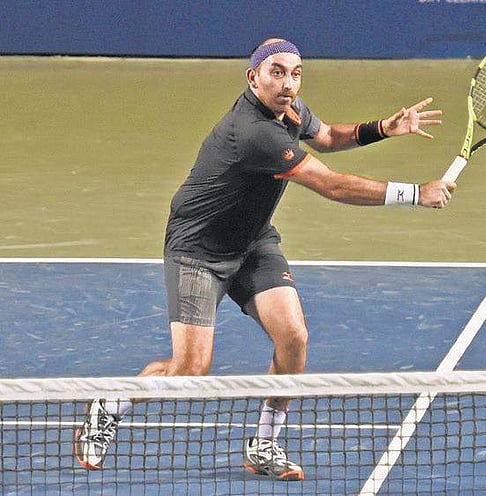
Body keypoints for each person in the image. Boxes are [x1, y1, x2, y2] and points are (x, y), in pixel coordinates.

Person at [74, 38, 456, 481]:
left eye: (296, 73)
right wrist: (416, 193)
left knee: (293, 337)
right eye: (277, 72)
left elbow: (328, 137)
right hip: (198, 251)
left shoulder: (288, 109)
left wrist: (382, 128)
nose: (288, 83)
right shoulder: (255, 132)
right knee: (190, 369)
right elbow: (332, 185)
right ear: (253, 78)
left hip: (253, 242)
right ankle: (109, 405)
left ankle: (264, 444)